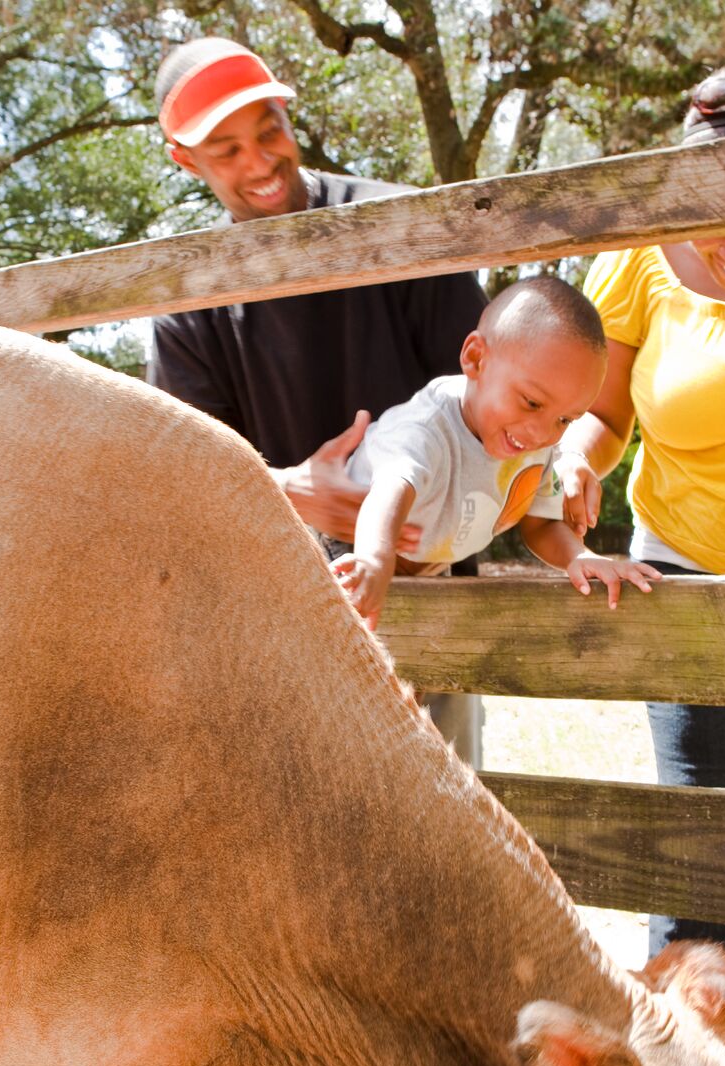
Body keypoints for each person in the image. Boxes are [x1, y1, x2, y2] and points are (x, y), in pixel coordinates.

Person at [147, 36, 489, 763]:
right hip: (279, 614)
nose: (260, 163)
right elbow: (182, 473)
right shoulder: (185, 297)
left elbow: (487, 406)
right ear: (185, 160)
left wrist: (404, 505)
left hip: (426, 590)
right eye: (226, 149)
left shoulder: (402, 228)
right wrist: (293, 491)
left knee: (446, 833)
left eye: (268, 130)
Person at [554, 59, 725, 1001]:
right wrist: (579, 456)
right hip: (687, 576)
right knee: (703, 864)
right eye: (713, 224)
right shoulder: (637, 259)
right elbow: (604, 415)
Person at [331, 276, 662, 628]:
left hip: (419, 566)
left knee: (410, 662)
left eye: (565, 419)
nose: (542, 433)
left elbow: (542, 524)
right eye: (531, 402)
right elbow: (390, 490)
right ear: (476, 359)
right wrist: (374, 559)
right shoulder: (428, 427)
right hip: (349, 549)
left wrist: (579, 556)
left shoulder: (537, 442)